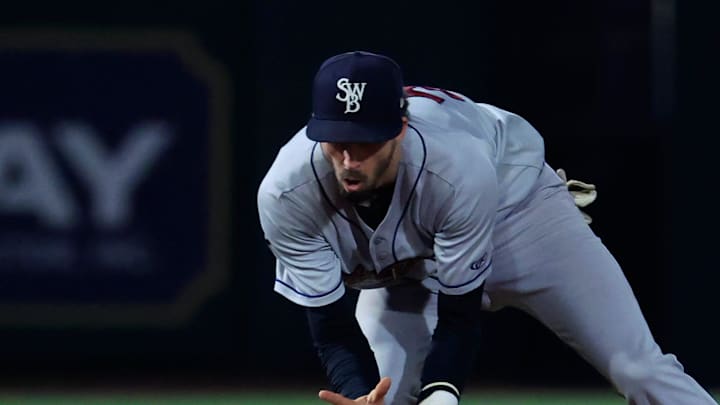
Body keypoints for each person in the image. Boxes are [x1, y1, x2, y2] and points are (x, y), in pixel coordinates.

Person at [256, 51, 717, 405]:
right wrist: (357, 393)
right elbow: (331, 328)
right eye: (337, 141)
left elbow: (460, 315)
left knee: (637, 368)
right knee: (385, 394)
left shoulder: (454, 168)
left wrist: (442, 392)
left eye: (366, 141)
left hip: (522, 214)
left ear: (398, 127)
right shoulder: (286, 193)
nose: (350, 160)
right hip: (414, 261)